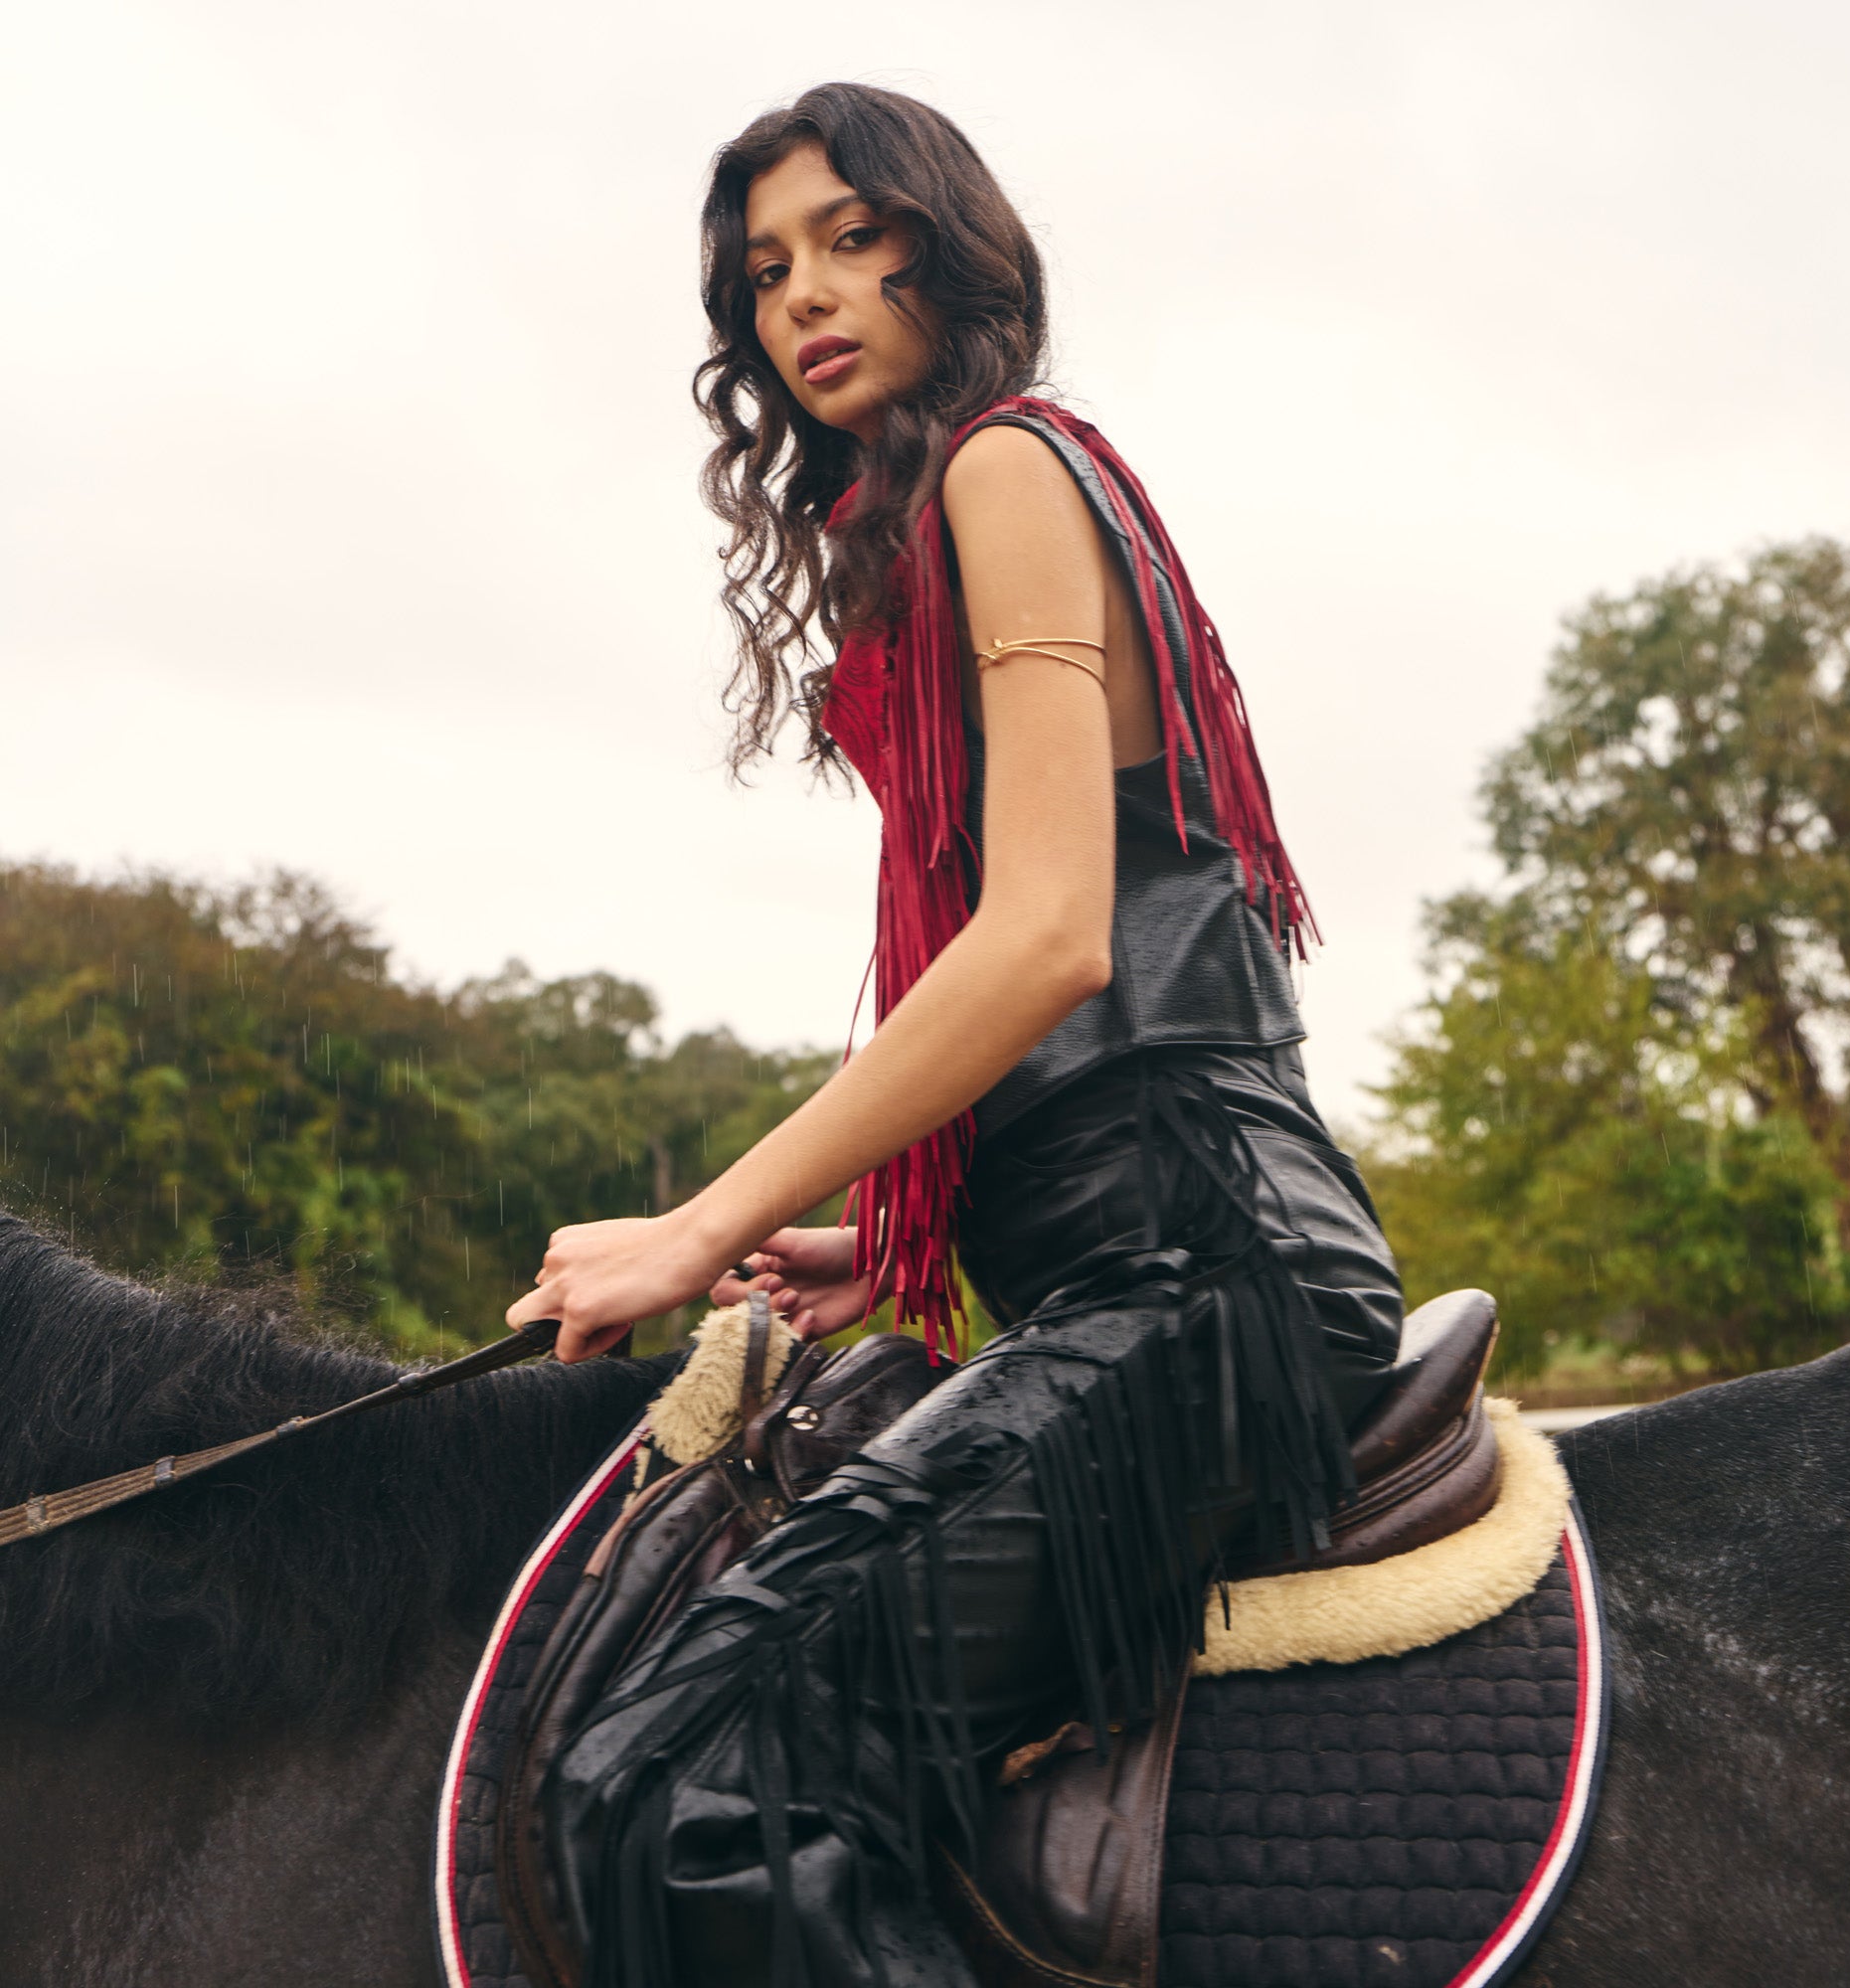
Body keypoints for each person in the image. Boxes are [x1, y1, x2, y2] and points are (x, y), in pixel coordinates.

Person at [506, 81, 1404, 1988]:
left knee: (692, 1789)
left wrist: (688, 1233)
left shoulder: (1006, 466)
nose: (805, 297)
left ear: (948, 240)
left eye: (852, 237)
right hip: (1123, 1261)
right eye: (763, 271)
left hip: (1209, 1277)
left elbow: (1055, 938)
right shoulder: (937, 516)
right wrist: (901, 1223)